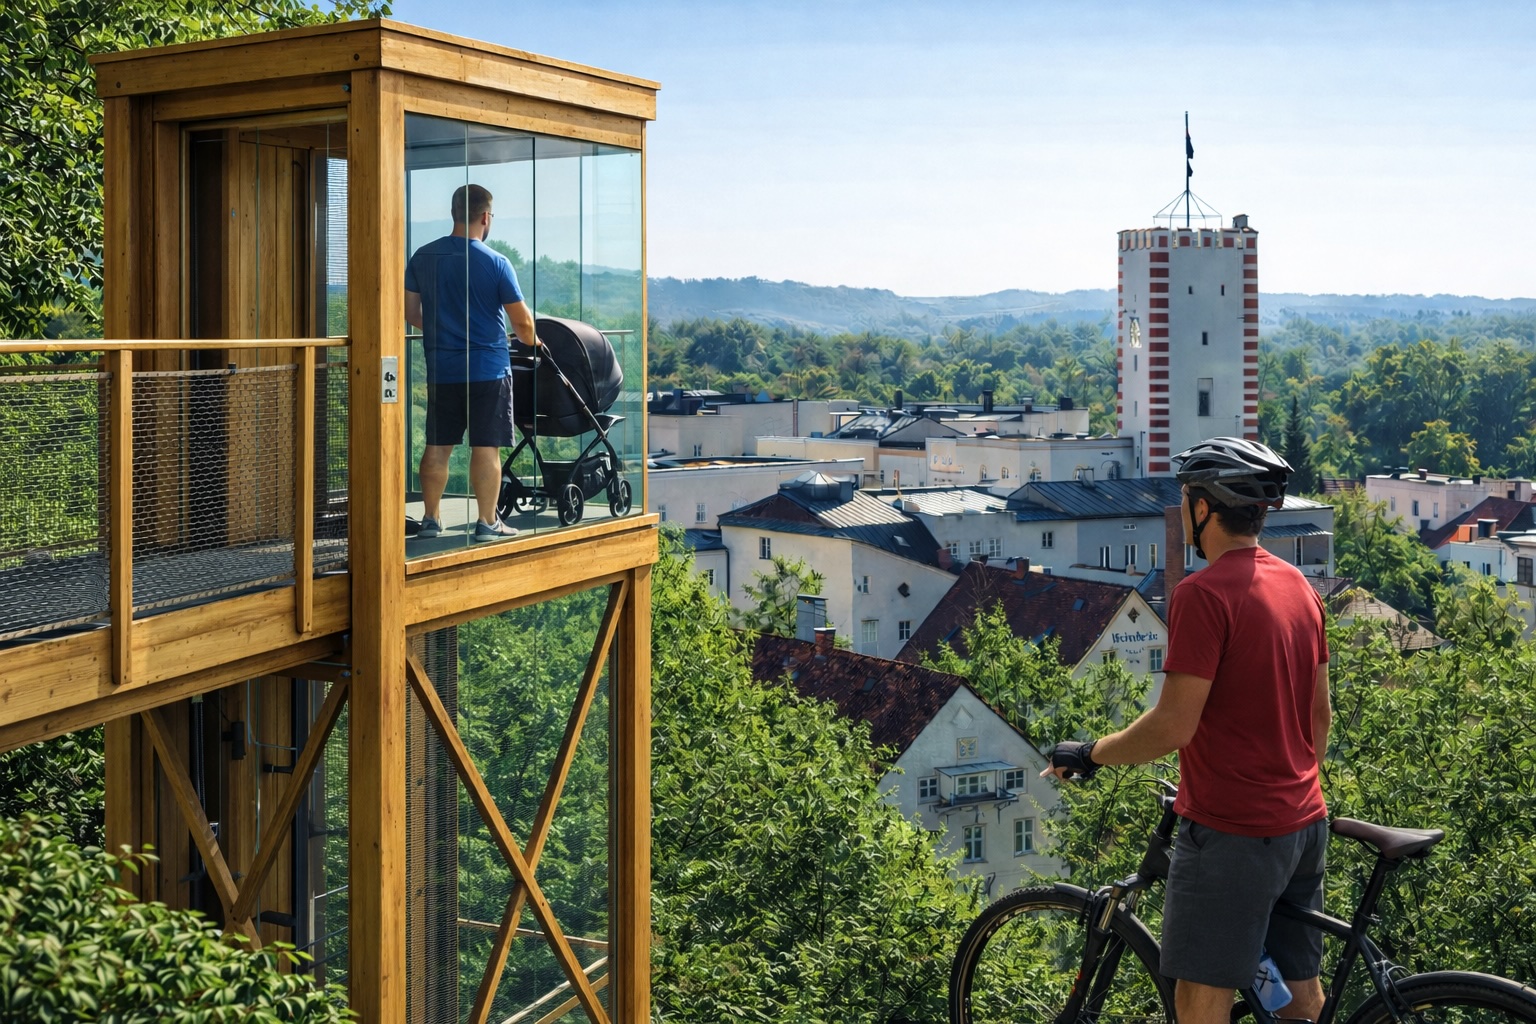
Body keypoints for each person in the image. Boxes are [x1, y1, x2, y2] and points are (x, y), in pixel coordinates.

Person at [1042, 436, 1331, 1024]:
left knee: (1200, 1004)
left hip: (1233, 833)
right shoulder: (1298, 586)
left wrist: (1092, 753)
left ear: (1202, 509)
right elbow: (1317, 719)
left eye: (1185, 500)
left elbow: (1172, 726)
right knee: (1300, 1001)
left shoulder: (1202, 594)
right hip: (1304, 822)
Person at [405, 183, 538, 543]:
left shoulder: (423, 257)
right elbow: (523, 324)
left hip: (442, 370)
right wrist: (533, 341)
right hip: (488, 371)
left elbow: (411, 312)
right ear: (485, 217)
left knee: (437, 445)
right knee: (485, 447)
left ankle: (431, 520)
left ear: (454, 213)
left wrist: (446, 328)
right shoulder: (496, 262)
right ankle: (486, 523)